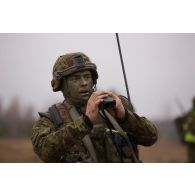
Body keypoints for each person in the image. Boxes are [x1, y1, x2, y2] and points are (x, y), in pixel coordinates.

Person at [31, 52, 158, 163]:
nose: (84, 82)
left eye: (87, 77)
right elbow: (44, 152)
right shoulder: (51, 119)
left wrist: (125, 117)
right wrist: (85, 123)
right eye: (76, 78)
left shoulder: (114, 106)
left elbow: (151, 137)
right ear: (62, 85)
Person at [175, 98, 195, 163]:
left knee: (191, 160)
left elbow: (184, 126)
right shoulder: (189, 114)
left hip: (190, 140)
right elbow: (183, 126)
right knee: (191, 160)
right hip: (190, 141)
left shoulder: (189, 114)